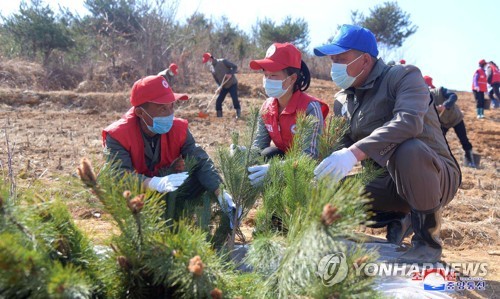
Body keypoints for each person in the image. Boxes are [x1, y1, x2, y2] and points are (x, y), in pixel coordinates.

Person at [313, 24, 461, 263]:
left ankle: (427, 243)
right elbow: (333, 151)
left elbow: (408, 123)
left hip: (433, 176)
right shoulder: (343, 100)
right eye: (333, 60)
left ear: (365, 60)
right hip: (386, 180)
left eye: (341, 58)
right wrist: (285, 168)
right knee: (326, 191)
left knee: (407, 148)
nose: (335, 66)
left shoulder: (403, 77)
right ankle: (399, 219)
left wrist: (353, 153)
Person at [102, 75, 236, 222]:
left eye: (172, 106)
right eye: (162, 108)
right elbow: (118, 175)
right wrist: (153, 183)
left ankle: (184, 218)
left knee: (201, 178)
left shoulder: (178, 129)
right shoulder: (118, 135)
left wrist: (220, 192)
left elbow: (200, 159)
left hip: (169, 194)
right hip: (135, 198)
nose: (169, 113)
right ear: (140, 112)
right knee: (115, 185)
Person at [242, 42, 329, 186]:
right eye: (266, 75)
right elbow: (259, 148)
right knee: (268, 154)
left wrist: (275, 169)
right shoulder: (267, 108)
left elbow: (310, 158)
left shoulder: (309, 108)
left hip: (313, 173)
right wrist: (244, 153)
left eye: (274, 75)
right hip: (285, 162)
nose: (268, 80)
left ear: (292, 78)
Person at [424, 75, 476, 168]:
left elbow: (453, 96)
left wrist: (445, 105)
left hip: (456, 118)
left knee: (463, 139)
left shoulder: (440, 90)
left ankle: (470, 159)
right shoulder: (424, 99)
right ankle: (443, 161)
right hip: (443, 123)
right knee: (440, 142)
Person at [202, 52, 241, 118]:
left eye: (207, 61)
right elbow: (217, 80)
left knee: (234, 98)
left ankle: (238, 113)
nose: (207, 63)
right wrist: (219, 86)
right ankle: (219, 117)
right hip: (224, 86)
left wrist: (230, 73)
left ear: (210, 58)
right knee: (218, 101)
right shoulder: (212, 69)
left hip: (232, 83)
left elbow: (235, 67)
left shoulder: (223, 61)